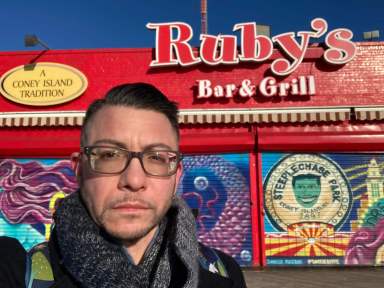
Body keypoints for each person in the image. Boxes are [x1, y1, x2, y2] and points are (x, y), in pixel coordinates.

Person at [0, 83, 247, 288]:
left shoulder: (225, 272)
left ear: (176, 176)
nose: (134, 180)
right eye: (109, 155)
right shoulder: (17, 270)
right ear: (79, 169)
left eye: (157, 158)